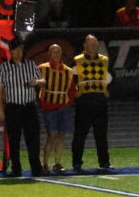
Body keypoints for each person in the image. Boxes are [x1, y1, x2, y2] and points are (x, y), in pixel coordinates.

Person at [0, 38, 45, 177]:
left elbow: (43, 81)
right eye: (14, 50)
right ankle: (16, 169)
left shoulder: (31, 64)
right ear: (10, 51)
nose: (17, 52)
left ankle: (36, 168)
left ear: (23, 50)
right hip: (13, 108)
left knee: (33, 139)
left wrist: (37, 81)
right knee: (14, 140)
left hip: (29, 107)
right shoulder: (4, 67)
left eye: (19, 49)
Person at [71, 34, 113, 173]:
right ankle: (77, 163)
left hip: (100, 101)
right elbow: (69, 80)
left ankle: (104, 162)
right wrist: (75, 92)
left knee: (101, 134)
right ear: (84, 45)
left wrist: (108, 91)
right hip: (84, 101)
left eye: (95, 43)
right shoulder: (77, 60)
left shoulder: (104, 60)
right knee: (80, 134)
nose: (93, 45)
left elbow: (112, 77)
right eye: (90, 43)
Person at [37, 43, 78, 174]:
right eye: (53, 52)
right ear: (49, 54)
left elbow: (72, 90)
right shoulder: (42, 68)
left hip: (64, 107)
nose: (55, 54)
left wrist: (68, 103)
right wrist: (44, 102)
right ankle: (44, 163)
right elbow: (36, 85)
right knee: (52, 135)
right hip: (49, 107)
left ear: (61, 54)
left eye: (58, 52)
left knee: (61, 136)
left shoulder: (68, 71)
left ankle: (57, 162)